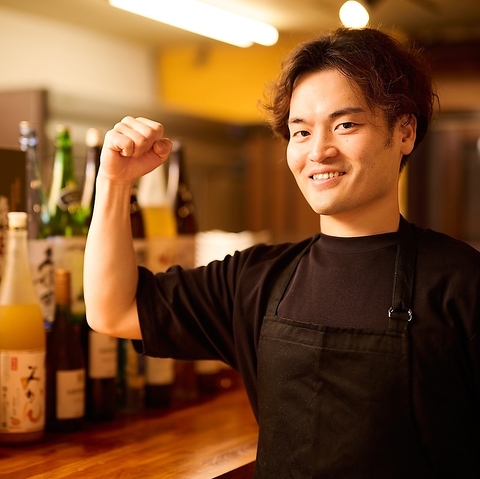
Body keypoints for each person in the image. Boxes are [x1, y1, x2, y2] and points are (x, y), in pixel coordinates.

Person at [84, 27, 480, 478]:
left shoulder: (462, 284)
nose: (319, 151)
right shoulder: (258, 279)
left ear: (405, 131)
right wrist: (113, 183)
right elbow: (112, 310)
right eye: (301, 132)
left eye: (345, 125)